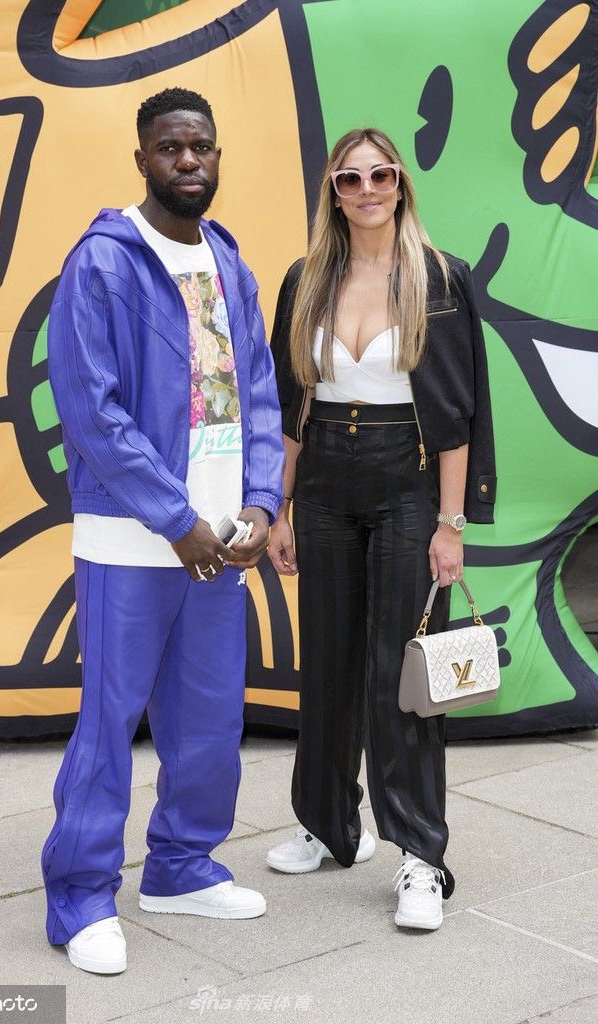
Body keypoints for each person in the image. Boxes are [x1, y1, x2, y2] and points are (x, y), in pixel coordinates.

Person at [41, 87, 284, 974]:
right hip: (132, 541)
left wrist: (260, 503)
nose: (189, 160)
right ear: (141, 158)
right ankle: (79, 897)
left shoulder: (228, 261)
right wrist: (177, 519)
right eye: (172, 147)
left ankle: (181, 866)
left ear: (217, 157)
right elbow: (91, 411)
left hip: (222, 542)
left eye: (202, 147)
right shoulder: (103, 262)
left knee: (210, 720)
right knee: (109, 724)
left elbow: (259, 391)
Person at [266, 128, 496, 931]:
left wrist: (451, 524)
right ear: (333, 192)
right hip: (324, 480)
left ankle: (420, 856)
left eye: (382, 175)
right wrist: (280, 506)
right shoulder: (305, 279)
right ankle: (328, 824)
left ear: (401, 185)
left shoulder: (439, 279)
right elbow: (291, 407)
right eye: (350, 178)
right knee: (327, 663)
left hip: (407, 480)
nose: (367, 190)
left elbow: (458, 417)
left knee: (403, 678)